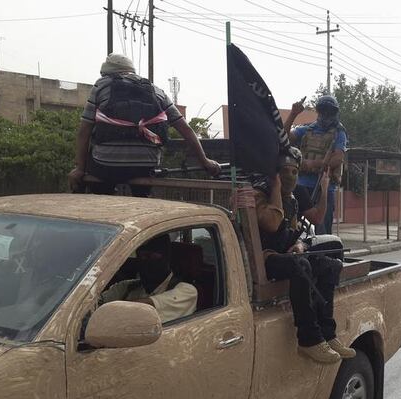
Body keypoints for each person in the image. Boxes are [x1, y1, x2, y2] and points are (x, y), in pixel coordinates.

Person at [253, 148, 354, 364]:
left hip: (286, 255)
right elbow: (272, 223)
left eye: (294, 171)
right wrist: (276, 188)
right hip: (264, 258)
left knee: (331, 265)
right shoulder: (259, 196)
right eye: (284, 171)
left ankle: (328, 333)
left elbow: (297, 230)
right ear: (274, 174)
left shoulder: (293, 200)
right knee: (301, 266)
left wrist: (299, 243)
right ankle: (308, 340)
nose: (289, 176)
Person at [69, 53, 220, 196]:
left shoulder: (101, 86)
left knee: (97, 177)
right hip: (145, 165)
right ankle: (142, 196)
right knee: (143, 177)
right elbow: (185, 129)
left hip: (106, 165)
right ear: (131, 71)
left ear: (107, 73)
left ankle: (103, 198)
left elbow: (84, 131)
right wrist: (204, 161)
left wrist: (80, 168)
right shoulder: (156, 90)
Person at [284, 95, 347, 234]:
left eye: (329, 111)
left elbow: (337, 158)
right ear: (319, 111)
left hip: (323, 188)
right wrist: (293, 114)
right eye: (323, 110)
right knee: (294, 226)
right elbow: (284, 137)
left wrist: (312, 163)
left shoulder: (338, 133)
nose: (326, 114)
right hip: (302, 187)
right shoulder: (308, 129)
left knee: (322, 231)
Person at [101, 234, 197, 323]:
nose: (144, 261)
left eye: (151, 256)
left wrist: (109, 312)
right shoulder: (126, 287)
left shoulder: (187, 291)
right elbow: (94, 306)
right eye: (141, 256)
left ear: (166, 258)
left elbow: (146, 307)